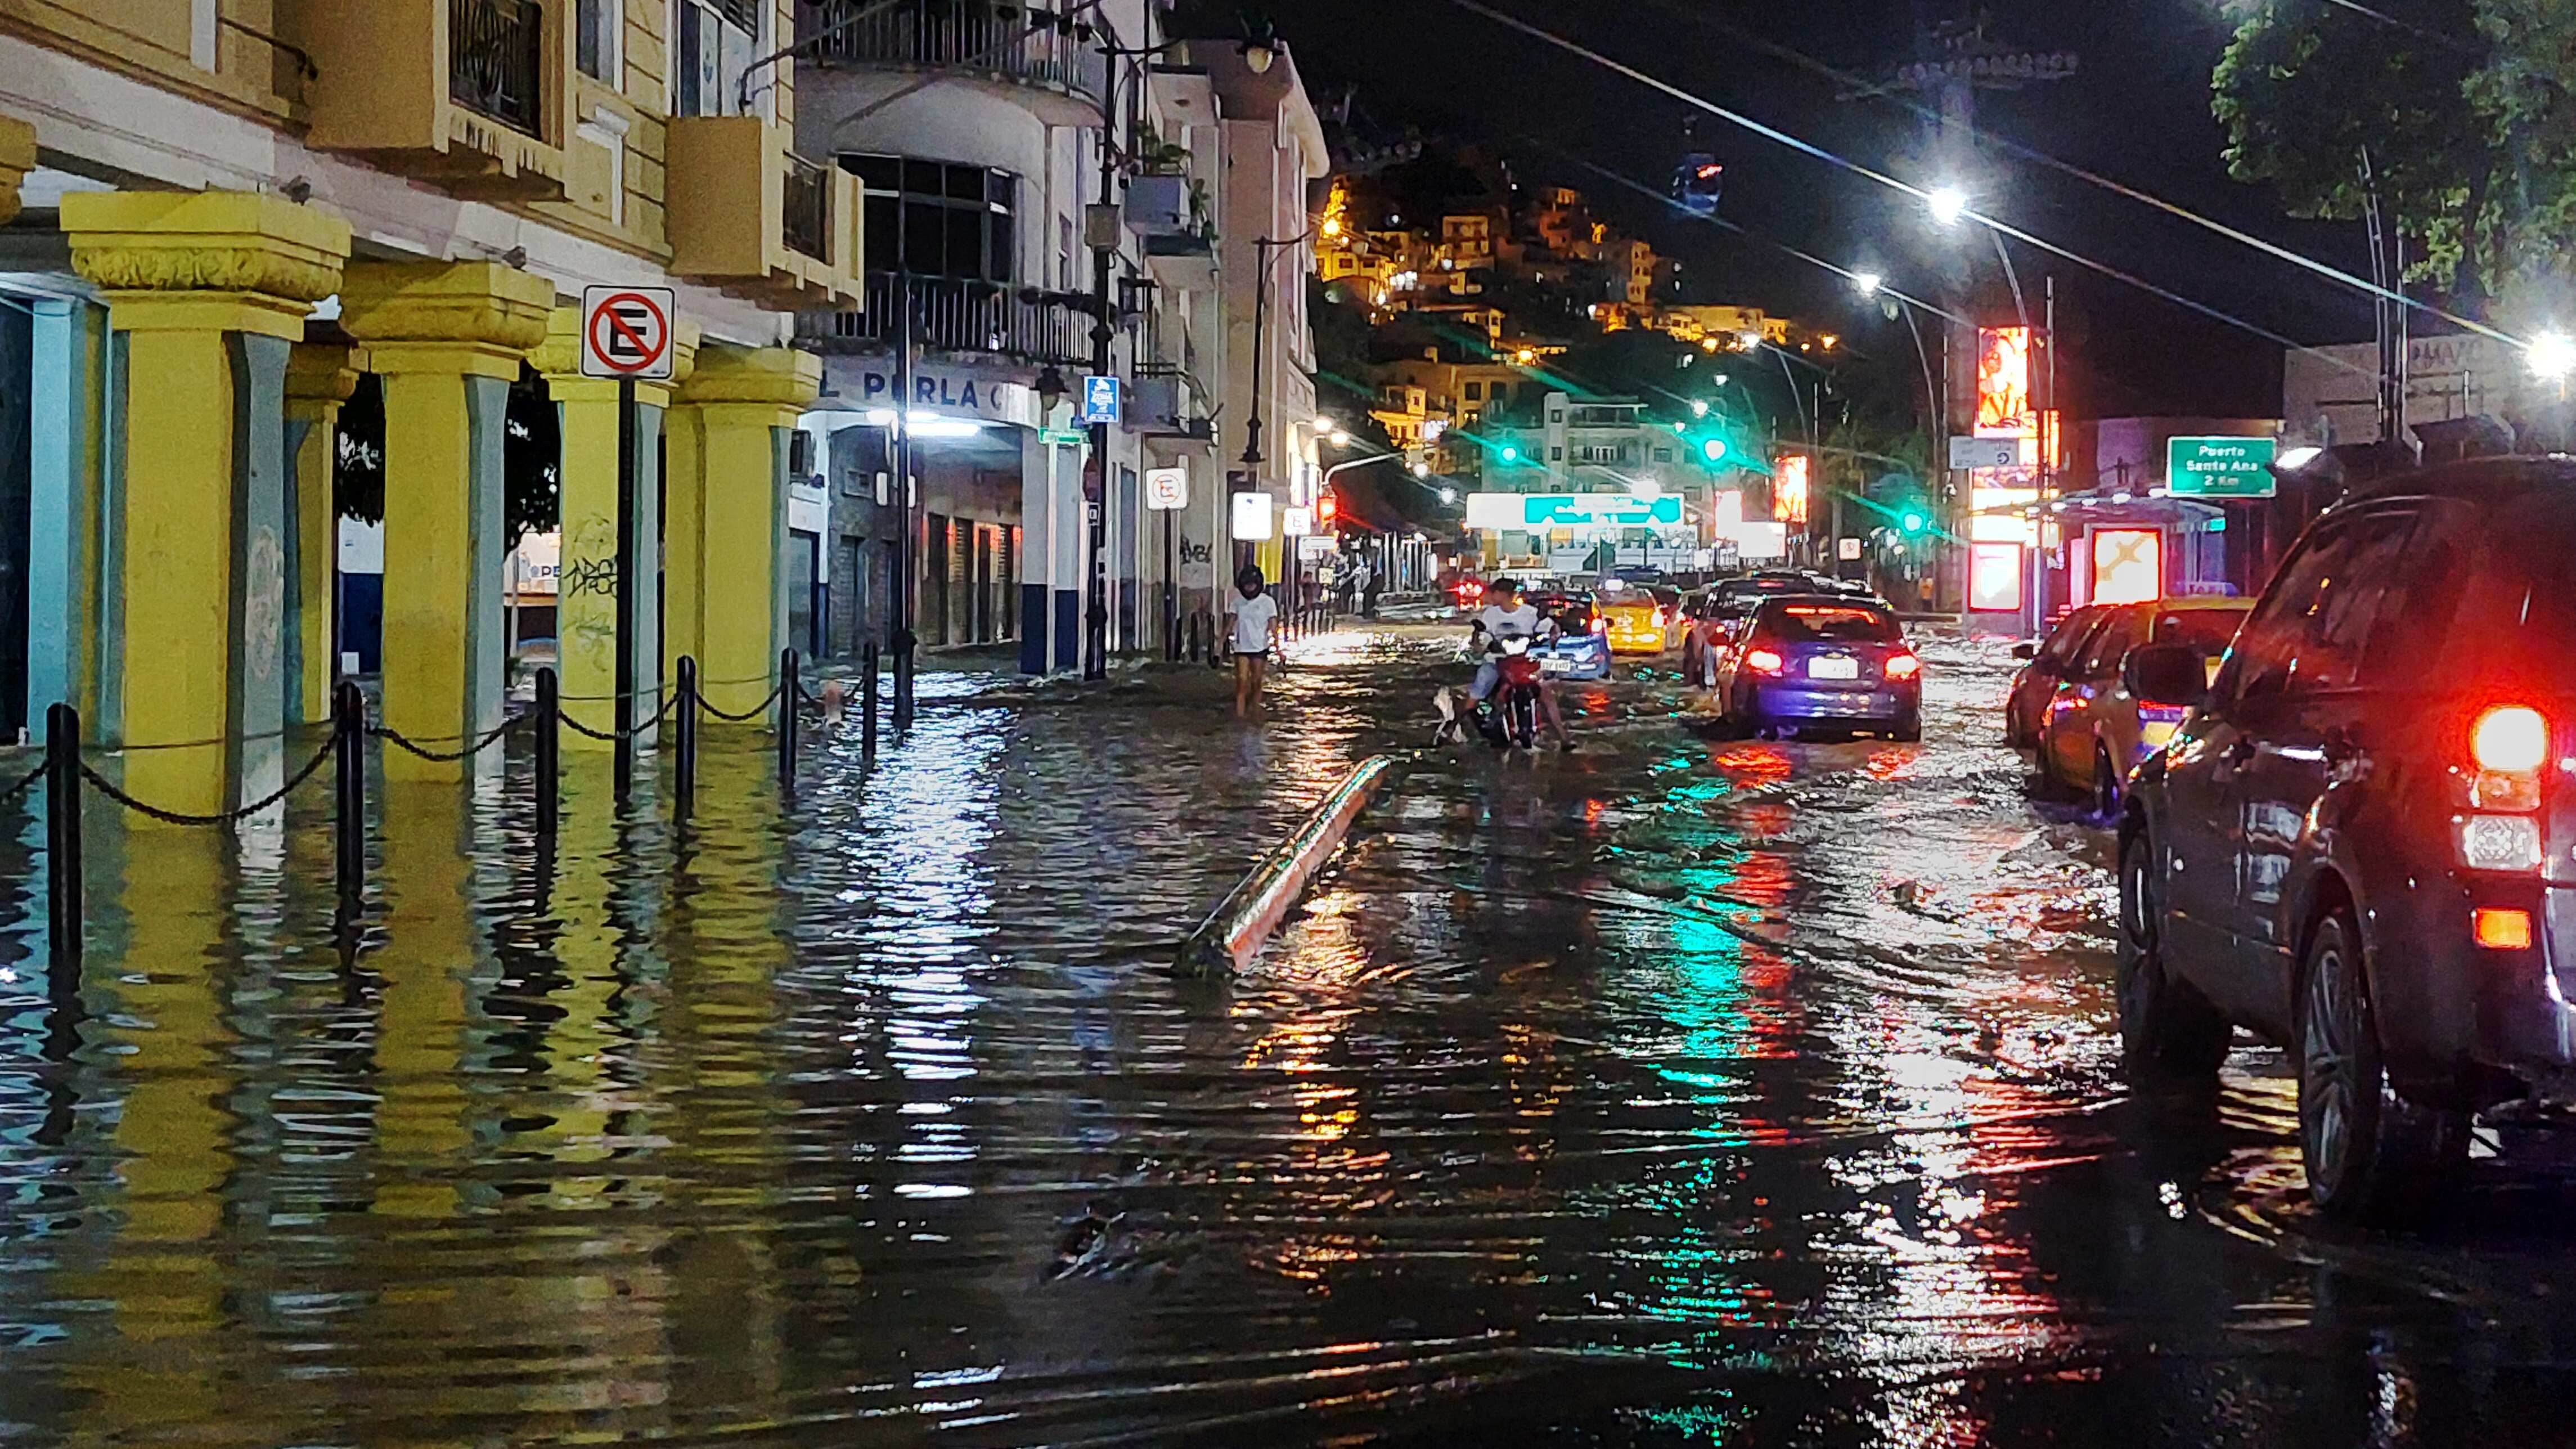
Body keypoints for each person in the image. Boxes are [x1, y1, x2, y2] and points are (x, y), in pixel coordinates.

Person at [1465, 577, 1575, 750]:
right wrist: (1480, 642)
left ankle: (1564, 737)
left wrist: (1554, 634)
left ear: (1502, 594)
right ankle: (1452, 726)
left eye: (1494, 593)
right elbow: (1481, 636)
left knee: (1546, 692)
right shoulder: (1489, 615)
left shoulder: (1530, 613)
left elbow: (1549, 627)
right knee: (1478, 690)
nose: (1491, 596)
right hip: (1497, 660)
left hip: (1523, 661)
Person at [1225, 564, 1280, 718]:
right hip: (1241, 648)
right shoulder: (1237, 602)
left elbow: (1273, 626)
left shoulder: (1268, 602)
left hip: (1260, 648)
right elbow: (1230, 624)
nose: (1249, 588)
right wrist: (1219, 645)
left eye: (1252, 585)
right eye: (1247, 585)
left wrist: (1278, 648)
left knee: (1256, 681)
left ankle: (1255, 710)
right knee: (1242, 681)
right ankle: (1240, 716)